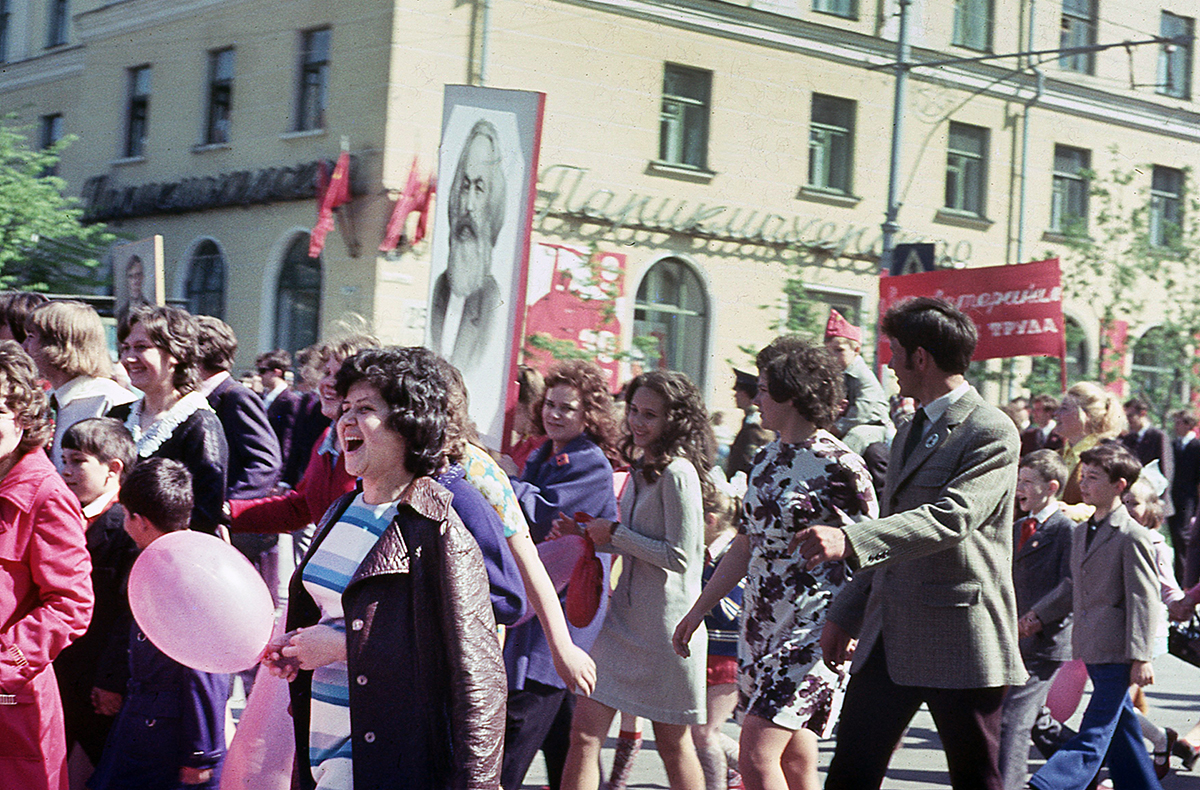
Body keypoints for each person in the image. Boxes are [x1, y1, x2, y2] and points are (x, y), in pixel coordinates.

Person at [796, 296, 1025, 790]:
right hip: (890, 632)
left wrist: (849, 540)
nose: (890, 365)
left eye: (895, 352)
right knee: (850, 773)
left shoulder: (989, 429)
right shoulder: (909, 429)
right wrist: (847, 610)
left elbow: (952, 518)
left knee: (975, 780)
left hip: (960, 635)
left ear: (920, 358)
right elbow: (895, 525)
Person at [262, 346, 506, 790]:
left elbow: (476, 672)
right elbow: (338, 614)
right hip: (320, 747)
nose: (346, 421)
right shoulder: (340, 510)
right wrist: (297, 645)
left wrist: (341, 647)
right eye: (345, 408)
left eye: (365, 409)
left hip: (385, 759)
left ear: (408, 425)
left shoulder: (435, 522)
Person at [674, 336, 878, 790]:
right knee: (795, 760)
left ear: (794, 395)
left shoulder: (841, 465)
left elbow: (874, 549)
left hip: (814, 629)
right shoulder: (766, 458)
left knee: (755, 755)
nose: (756, 399)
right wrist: (698, 611)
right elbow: (745, 545)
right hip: (761, 626)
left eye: (765, 390)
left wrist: (853, 623)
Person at [559, 370, 714, 790]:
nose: (637, 421)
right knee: (583, 735)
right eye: (633, 410)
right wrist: (586, 532)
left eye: (650, 414)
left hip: (667, 630)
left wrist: (615, 533)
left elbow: (682, 557)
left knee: (673, 746)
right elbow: (639, 543)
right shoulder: (643, 465)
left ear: (673, 420)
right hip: (624, 622)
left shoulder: (678, 472)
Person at [501, 359, 619, 790]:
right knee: (566, 743)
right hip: (545, 604)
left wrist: (504, 480)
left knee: (515, 734)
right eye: (550, 404)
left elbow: (543, 513)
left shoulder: (588, 462)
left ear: (590, 415)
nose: (554, 413)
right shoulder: (545, 452)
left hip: (564, 609)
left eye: (567, 407)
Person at [1025, 443, 1162, 790]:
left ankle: (1049, 785)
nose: (1083, 484)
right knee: (1121, 727)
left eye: (1093, 478)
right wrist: (1039, 614)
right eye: (1082, 476)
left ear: (1119, 486)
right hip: (1091, 644)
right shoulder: (1082, 531)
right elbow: (1073, 585)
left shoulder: (1132, 536)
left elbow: (1143, 599)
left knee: (1096, 728)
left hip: (1118, 650)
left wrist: (1141, 657)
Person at [88, 458, 230, 790]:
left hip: (168, 735)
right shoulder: (166, 561)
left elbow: (205, 670)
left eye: (126, 515)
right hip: (143, 721)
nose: (125, 525)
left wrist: (200, 753)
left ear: (140, 520)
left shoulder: (186, 574)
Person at [0, 341, 94, 790]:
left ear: (23, 417)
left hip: (12, 707)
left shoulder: (45, 494)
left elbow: (71, 605)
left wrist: (6, 662)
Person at [227, 335, 376, 565]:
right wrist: (228, 511)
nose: (328, 383)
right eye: (326, 373)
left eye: (341, 375)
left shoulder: (378, 444)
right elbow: (301, 507)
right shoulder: (327, 438)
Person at [53, 418, 139, 787]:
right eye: (64, 461)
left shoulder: (127, 525)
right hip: (64, 671)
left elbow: (127, 613)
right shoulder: (65, 514)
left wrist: (110, 679)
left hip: (99, 678)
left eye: (78, 462)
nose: (66, 471)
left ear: (113, 469)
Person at [107, 306, 229, 535]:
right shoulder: (117, 416)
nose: (129, 358)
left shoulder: (198, 424)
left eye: (141, 347)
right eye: (125, 348)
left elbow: (204, 514)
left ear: (176, 354)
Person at [998, 450, 1074, 790]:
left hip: (1044, 642)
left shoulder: (1066, 530)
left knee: (1012, 720)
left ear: (1052, 487)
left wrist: (1037, 616)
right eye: (1019, 481)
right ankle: (1083, 769)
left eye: (1028, 482)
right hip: (1015, 639)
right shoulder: (1018, 527)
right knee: (1038, 722)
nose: (1019, 489)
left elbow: (1071, 584)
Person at [21, 299, 135, 470]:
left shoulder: (111, 401)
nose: (24, 346)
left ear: (58, 344)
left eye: (31, 337)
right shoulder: (46, 400)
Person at [430, 118, 506, 371]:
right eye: (464, 188)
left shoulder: (492, 300)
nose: (468, 205)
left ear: (493, 202)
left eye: (479, 189)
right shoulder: (440, 287)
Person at [690, 489, 745, 790]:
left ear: (710, 520)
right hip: (708, 651)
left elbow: (728, 610)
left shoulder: (732, 553)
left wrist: (697, 581)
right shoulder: (712, 554)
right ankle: (744, 773)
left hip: (729, 654)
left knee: (705, 732)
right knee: (696, 731)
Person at [823, 308, 889, 453]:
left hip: (873, 426)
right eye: (828, 351)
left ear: (856, 350)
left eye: (839, 350)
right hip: (843, 424)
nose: (832, 356)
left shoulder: (862, 375)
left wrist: (836, 428)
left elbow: (862, 413)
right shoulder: (832, 374)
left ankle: (842, 464)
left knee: (856, 436)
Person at [1056, 382, 1126, 506]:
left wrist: (1078, 512)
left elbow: (1110, 504)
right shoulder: (1057, 455)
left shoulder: (1105, 459)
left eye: (1064, 408)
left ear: (1086, 415)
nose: (1056, 414)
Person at [256, 349, 304, 486]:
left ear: (277, 372)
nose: (259, 375)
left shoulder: (290, 400)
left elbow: (287, 442)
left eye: (263, 371)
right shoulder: (263, 398)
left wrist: (282, 479)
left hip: (275, 473)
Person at [724, 368, 773, 482]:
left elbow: (748, 461)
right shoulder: (749, 420)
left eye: (737, 392)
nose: (735, 397)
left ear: (744, 394)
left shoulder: (755, 424)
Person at [1168, 410, 1200, 584]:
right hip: (1174, 496)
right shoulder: (1173, 446)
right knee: (1175, 536)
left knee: (1184, 535)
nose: (1176, 426)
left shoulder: (1196, 446)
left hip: (1189, 498)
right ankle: (1179, 576)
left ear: (1189, 425)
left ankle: (1188, 578)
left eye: (1179, 423)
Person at [1122, 397, 1170, 469]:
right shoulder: (1128, 438)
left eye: (1130, 416)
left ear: (1142, 413)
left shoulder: (1158, 436)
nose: (1127, 420)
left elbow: (1165, 466)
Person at [1020, 394, 1065, 458]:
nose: (1034, 413)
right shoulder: (1027, 436)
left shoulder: (1061, 435)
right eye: (1034, 409)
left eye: (1038, 410)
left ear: (1049, 412)